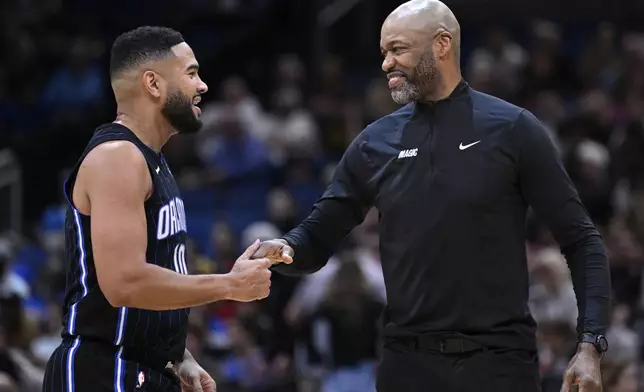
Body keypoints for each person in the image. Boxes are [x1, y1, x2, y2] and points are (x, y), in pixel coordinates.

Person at [254, 1, 611, 391]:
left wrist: (590, 343)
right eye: (383, 53)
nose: (387, 63)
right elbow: (316, 237)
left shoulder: (513, 129)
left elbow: (581, 240)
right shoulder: (374, 142)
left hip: (499, 364)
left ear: (442, 45)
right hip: (407, 365)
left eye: (398, 49)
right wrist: (282, 248)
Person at [42, 26, 279, 392]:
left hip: (140, 366)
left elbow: (154, 277)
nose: (202, 86)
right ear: (152, 84)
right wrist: (230, 285)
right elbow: (125, 283)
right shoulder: (118, 157)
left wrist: (176, 353)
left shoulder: (152, 160)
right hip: (103, 370)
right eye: (191, 73)